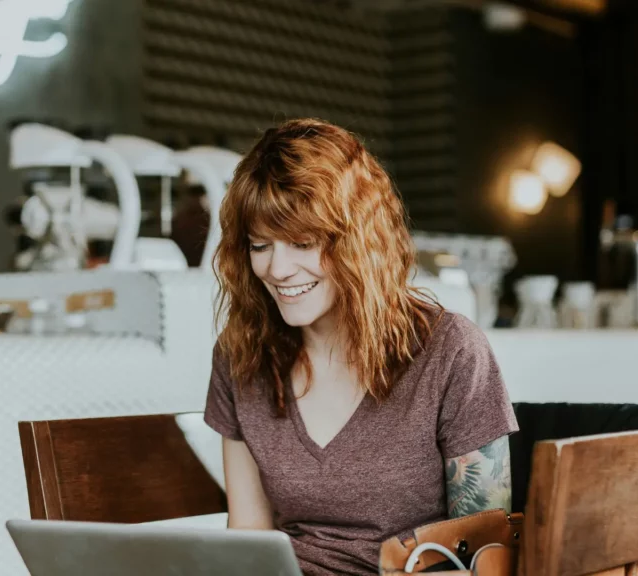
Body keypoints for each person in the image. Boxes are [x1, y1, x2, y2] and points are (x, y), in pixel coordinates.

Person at [202, 118, 518, 575]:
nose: (278, 269)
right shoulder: (240, 357)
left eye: (303, 243)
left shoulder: (450, 351)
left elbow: (486, 555)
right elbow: (249, 532)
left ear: (358, 241)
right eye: (259, 246)